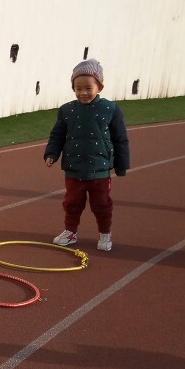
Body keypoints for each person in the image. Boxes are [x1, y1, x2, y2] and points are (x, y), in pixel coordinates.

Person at [44, 58, 130, 251]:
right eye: (78, 88)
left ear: (100, 87)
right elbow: (57, 135)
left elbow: (120, 139)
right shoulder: (67, 110)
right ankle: (70, 232)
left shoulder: (111, 109)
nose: (83, 92)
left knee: (101, 205)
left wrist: (121, 166)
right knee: (72, 203)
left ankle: (105, 234)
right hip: (74, 169)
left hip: (100, 171)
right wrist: (51, 154)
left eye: (88, 88)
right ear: (73, 88)